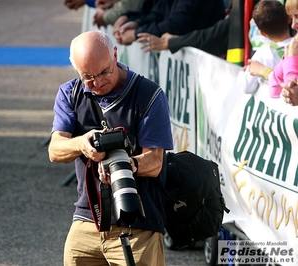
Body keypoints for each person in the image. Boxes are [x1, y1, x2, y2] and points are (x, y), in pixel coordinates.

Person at [48, 30, 173, 265]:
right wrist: (82, 143)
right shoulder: (70, 93)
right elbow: (55, 150)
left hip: (139, 223)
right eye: (88, 77)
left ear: (115, 55)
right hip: (88, 218)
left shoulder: (148, 95)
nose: (98, 82)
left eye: (104, 71)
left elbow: (155, 162)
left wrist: (125, 164)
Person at [237, 0, 292, 94]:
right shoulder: (295, 45)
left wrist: (241, 73)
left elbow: (246, 87)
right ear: (289, 18)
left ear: (263, 33)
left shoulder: (263, 53)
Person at [114, 0, 226, 45]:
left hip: (210, 63)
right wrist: (135, 23)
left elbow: (176, 25)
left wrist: (135, 34)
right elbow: (157, 13)